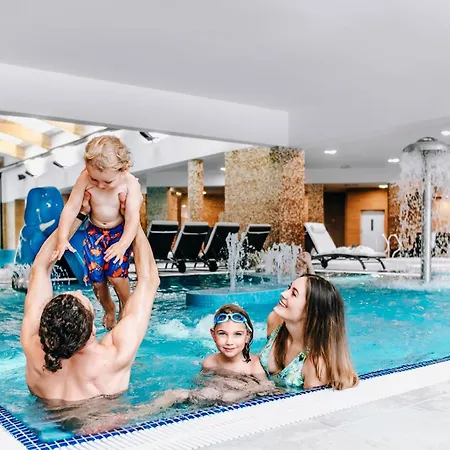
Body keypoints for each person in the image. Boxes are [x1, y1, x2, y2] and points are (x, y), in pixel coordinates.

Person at [20, 197, 160, 402]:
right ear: (92, 330)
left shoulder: (32, 345)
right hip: (103, 419)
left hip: (45, 414)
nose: (79, 291)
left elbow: (40, 267)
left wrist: (80, 214)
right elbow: (149, 279)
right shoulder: (114, 357)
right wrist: (132, 219)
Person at [52, 135, 143, 329]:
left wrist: (123, 244)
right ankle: (109, 309)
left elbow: (133, 218)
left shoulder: (130, 183)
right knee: (97, 281)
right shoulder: (85, 177)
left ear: (124, 169)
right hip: (94, 233)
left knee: (116, 276)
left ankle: (125, 306)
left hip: (119, 233)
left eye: (107, 181)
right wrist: (62, 239)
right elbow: (71, 207)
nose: (100, 185)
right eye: (94, 179)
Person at [260, 273, 358, 390]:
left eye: (294, 293)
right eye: (289, 288)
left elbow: (307, 401)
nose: (283, 294)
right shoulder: (275, 320)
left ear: (311, 312)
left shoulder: (316, 364)